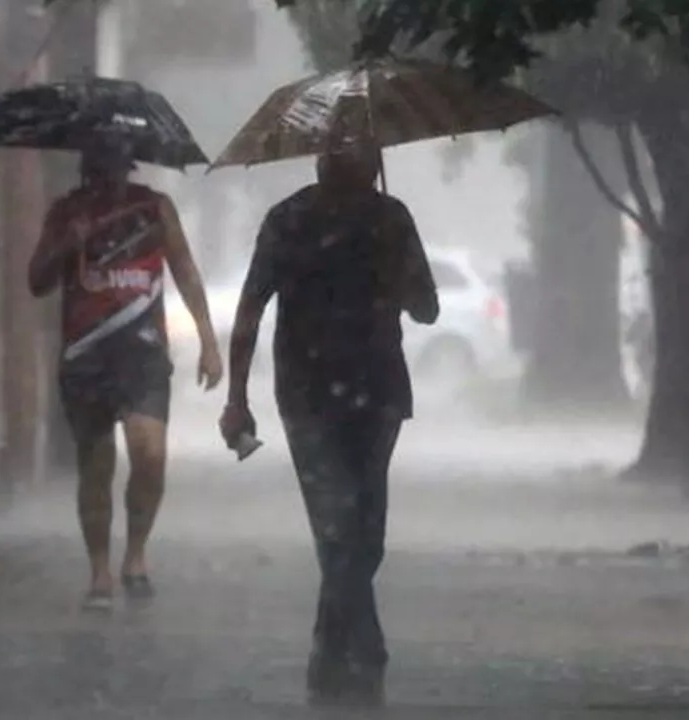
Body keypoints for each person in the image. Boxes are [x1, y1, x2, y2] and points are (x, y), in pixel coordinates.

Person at [219, 140, 439, 705]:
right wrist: (236, 397)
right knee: (342, 523)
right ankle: (351, 646)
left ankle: (338, 637)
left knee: (360, 530)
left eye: (350, 156)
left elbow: (427, 307)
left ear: (367, 166)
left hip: (363, 391)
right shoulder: (296, 220)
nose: (339, 164)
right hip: (319, 394)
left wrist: (394, 270)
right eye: (333, 155)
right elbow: (251, 306)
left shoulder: (387, 220)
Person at [29, 136, 222, 611]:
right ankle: (99, 571)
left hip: (143, 353)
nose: (108, 181)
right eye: (98, 171)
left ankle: (135, 553)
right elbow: (37, 281)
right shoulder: (65, 212)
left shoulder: (154, 209)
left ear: (128, 169)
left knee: (149, 454)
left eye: (115, 171)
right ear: (86, 171)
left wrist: (208, 341)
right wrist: (65, 246)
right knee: (95, 465)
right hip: (86, 354)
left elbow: (185, 270)